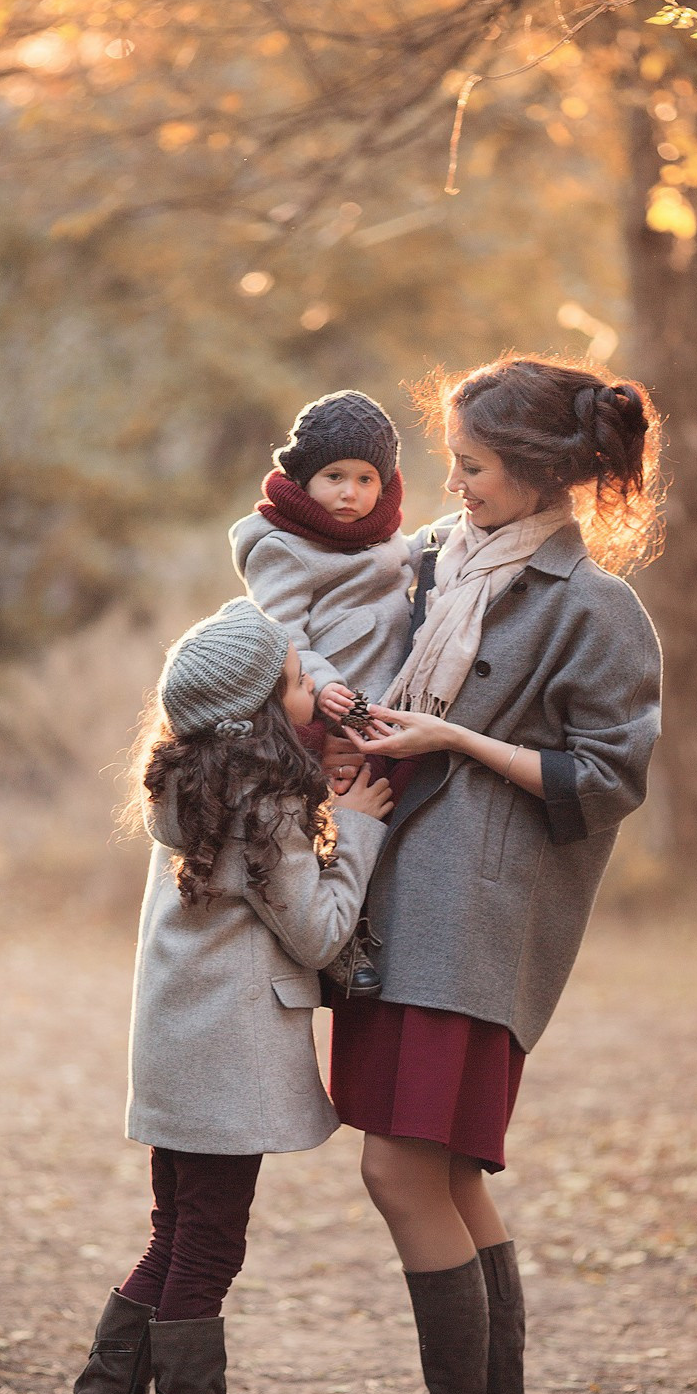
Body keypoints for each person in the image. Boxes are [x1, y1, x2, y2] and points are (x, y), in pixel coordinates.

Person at [327, 355, 665, 1394]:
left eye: (472, 464)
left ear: (535, 475)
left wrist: (456, 743)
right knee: (450, 1173)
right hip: (396, 897)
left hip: (475, 915)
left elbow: (608, 778)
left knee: (398, 1169)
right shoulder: (434, 565)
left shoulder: (594, 606)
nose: (454, 481)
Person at [47, 596, 392, 1394]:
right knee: (206, 1248)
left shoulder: (189, 789)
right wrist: (355, 826)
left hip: (177, 1055)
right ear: (255, 714)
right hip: (227, 1060)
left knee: (174, 1238)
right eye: (294, 679)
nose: (310, 685)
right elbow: (319, 932)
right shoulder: (268, 809)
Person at [231, 388, 421, 993]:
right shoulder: (284, 549)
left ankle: (378, 929)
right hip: (324, 711)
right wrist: (327, 688)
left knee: (384, 821)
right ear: (301, 478)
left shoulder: (391, 542)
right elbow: (280, 636)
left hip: (389, 713)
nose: (350, 494)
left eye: (366, 478)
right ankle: (339, 946)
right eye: (333, 476)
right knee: (333, 820)